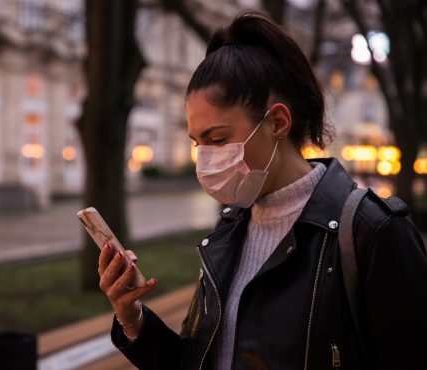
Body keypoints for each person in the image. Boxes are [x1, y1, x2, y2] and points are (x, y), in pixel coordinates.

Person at [97, 11, 427, 370]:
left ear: (278, 122)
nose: (205, 159)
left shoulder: (373, 232)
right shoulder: (229, 232)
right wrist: (131, 317)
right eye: (198, 143)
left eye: (218, 139)